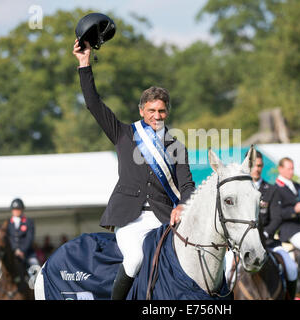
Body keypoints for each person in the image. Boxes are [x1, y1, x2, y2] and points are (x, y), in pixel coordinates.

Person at [73, 39, 195, 300]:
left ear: (167, 113)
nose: (157, 116)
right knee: (137, 257)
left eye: (161, 111)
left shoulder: (177, 146)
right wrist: (85, 64)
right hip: (130, 220)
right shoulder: (124, 134)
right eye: (151, 110)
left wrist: (183, 205)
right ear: (142, 111)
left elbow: (186, 186)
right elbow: (94, 104)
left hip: (164, 219)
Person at [250, 151, 297, 298]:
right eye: (253, 165)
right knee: (225, 270)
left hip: (268, 241)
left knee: (291, 267)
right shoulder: (238, 189)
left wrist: (264, 234)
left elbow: (276, 218)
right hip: (242, 244)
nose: (256, 169)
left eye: (259, 165)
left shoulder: (272, 189)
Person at [274, 157, 300, 292]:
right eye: (288, 168)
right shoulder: (275, 189)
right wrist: (295, 210)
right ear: (280, 169)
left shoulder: (297, 186)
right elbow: (278, 213)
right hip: (289, 228)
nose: (291, 171)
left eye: (292, 168)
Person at [6, 198, 39, 272]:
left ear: (22, 209)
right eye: (14, 209)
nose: (16, 211)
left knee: (36, 268)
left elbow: (29, 238)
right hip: (13, 254)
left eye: (18, 209)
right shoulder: (8, 223)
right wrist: (15, 250)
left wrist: (22, 251)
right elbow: (9, 238)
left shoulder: (29, 222)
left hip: (27, 254)